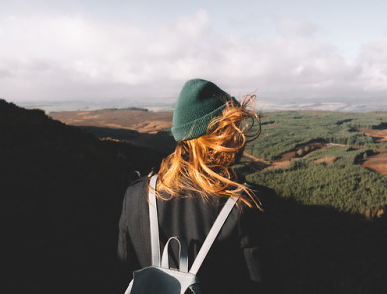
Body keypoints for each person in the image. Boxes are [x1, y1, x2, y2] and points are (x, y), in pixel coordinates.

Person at [117, 79, 273, 293]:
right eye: (232, 128)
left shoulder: (135, 197)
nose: (239, 136)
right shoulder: (245, 204)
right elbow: (262, 285)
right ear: (216, 137)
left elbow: (124, 272)